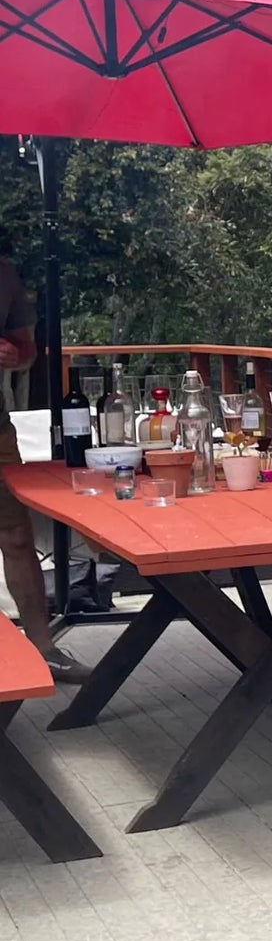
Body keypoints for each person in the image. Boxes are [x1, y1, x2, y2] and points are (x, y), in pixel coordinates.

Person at [0, 256, 86, 681]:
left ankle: (43, 649)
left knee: (17, 537)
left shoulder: (4, 274)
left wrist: (15, 355)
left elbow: (28, 351)